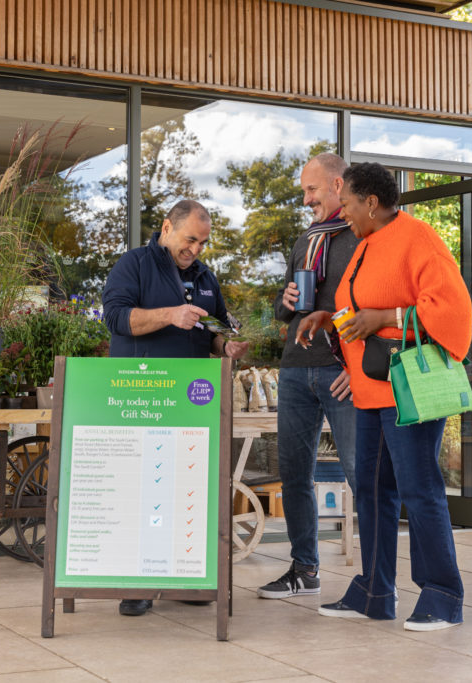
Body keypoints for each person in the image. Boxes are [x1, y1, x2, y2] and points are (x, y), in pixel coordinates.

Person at [295, 162, 472, 631]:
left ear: (370, 202)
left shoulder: (419, 239)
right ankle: (375, 591)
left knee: (419, 489)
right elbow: (360, 304)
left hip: (408, 389)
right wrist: (328, 316)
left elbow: (452, 308)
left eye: (349, 204)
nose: (345, 213)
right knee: (372, 491)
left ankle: (442, 596)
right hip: (371, 391)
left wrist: (383, 316)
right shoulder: (368, 244)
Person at [102, 198, 249, 617]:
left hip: (190, 401)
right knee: (143, 492)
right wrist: (170, 314)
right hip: (140, 395)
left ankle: (185, 578)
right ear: (167, 227)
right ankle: (138, 586)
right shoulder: (134, 264)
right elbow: (115, 319)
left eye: (203, 243)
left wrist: (227, 345)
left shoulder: (206, 277)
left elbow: (215, 330)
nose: (196, 251)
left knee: (185, 490)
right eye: (190, 240)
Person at [257, 152, 359, 600]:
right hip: (297, 372)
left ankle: (375, 578)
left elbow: (374, 308)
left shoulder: (362, 236)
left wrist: (359, 369)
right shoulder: (306, 240)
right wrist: (286, 298)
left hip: (342, 373)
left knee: (361, 473)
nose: (305, 199)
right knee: (295, 475)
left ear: (338, 186)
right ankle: (305, 570)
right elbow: (286, 310)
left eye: (311, 190)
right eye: (303, 191)